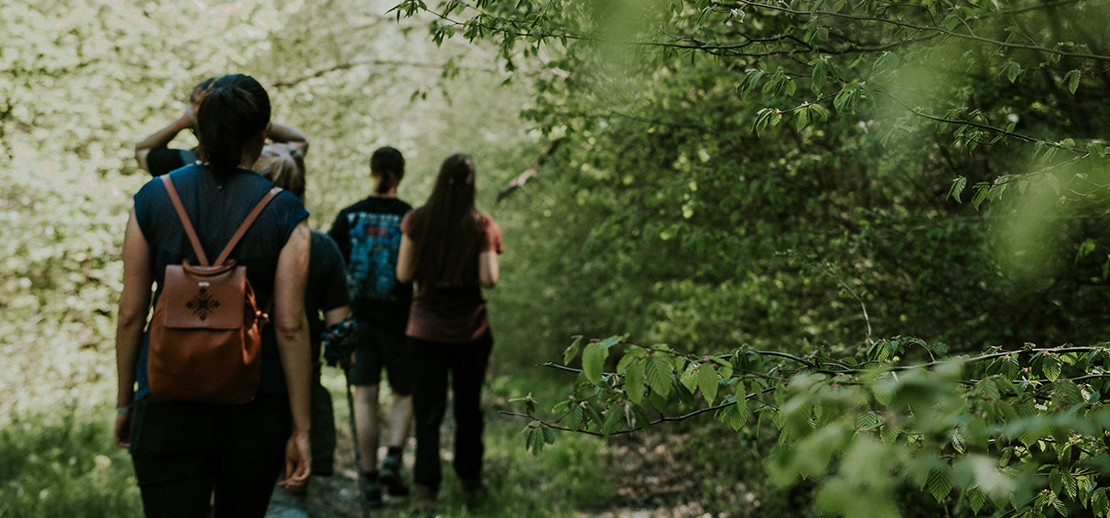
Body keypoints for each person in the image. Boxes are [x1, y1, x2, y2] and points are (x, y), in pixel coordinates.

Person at [114, 73, 313, 517]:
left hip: (165, 398)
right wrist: (301, 428)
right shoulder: (286, 212)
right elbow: (290, 327)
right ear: (263, 132)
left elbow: (130, 315)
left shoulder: (151, 198)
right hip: (256, 404)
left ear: (198, 130)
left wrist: (125, 400)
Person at [395, 153, 503, 511]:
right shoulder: (481, 225)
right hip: (470, 331)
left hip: (424, 331)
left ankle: (426, 491)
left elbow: (403, 274)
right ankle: (471, 480)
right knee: (469, 409)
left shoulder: (417, 220)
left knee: (428, 411)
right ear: (472, 184)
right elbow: (489, 279)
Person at [256, 143, 350, 480]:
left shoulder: (241, 239)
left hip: (242, 370)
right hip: (303, 378)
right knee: (295, 484)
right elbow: (340, 325)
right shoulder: (322, 247)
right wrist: (344, 355)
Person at [328, 146, 415, 508]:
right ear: (401, 174)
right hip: (400, 321)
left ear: (371, 171)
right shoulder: (410, 217)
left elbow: (331, 268)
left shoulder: (348, 217)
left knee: (364, 398)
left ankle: (369, 480)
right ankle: (393, 457)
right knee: (404, 393)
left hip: (357, 320)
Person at [134, 77, 309, 177]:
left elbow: (142, 150)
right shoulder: (268, 160)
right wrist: (256, 118)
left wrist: (184, 120)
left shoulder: (179, 165)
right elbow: (299, 141)